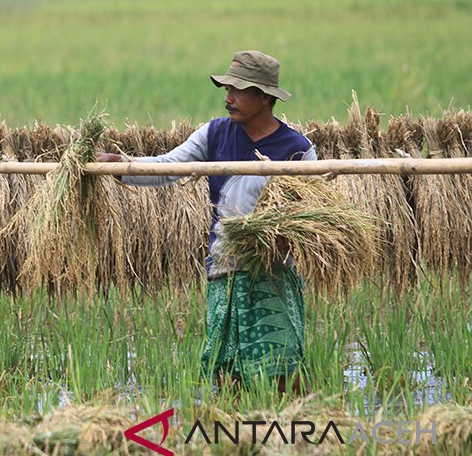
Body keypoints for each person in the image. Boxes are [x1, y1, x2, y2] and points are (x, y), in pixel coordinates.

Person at [97, 50, 316, 394]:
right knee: (224, 366)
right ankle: (232, 435)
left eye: (238, 91)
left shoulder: (297, 150)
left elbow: (306, 215)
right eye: (226, 89)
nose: (228, 98)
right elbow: (168, 167)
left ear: (265, 97)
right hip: (224, 268)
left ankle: (296, 425)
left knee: (281, 362)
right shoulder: (214, 134)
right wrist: (122, 166)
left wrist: (280, 238)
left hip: (272, 272)